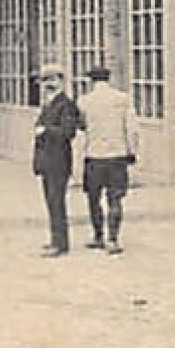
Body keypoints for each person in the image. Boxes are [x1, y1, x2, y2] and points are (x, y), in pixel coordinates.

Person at [76, 66, 140, 255]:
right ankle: (112, 239)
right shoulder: (122, 99)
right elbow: (132, 128)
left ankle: (98, 236)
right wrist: (132, 151)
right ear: (108, 79)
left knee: (94, 198)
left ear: (91, 81)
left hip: (94, 155)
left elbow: (81, 126)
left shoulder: (84, 101)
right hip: (117, 155)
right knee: (115, 198)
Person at [31, 64, 82, 257]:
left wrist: (46, 130)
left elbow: (69, 132)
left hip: (58, 161)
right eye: (44, 81)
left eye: (51, 80)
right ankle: (55, 239)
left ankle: (60, 244)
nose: (47, 85)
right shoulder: (48, 104)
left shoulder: (66, 105)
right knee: (51, 202)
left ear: (61, 81)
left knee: (56, 201)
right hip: (47, 161)